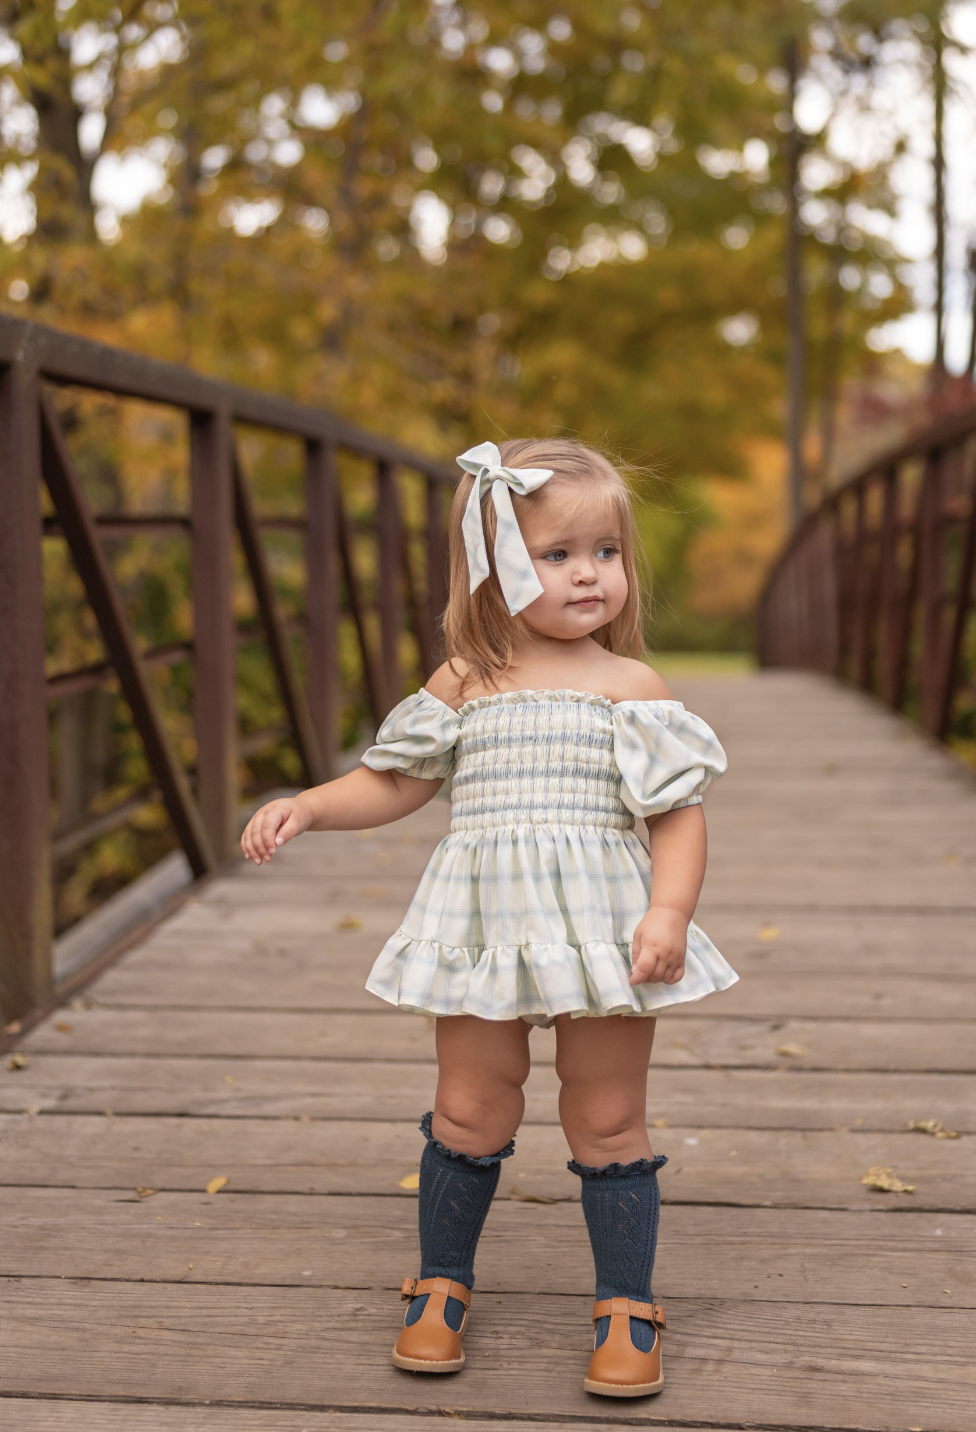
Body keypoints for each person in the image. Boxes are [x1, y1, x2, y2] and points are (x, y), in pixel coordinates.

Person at [241, 439, 737, 1398]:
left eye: (605, 550)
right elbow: (390, 783)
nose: (589, 572)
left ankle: (627, 1305)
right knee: (470, 1106)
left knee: (606, 1115)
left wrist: (669, 912)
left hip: (603, 933)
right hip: (482, 929)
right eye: (557, 554)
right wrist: (308, 803)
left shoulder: (633, 690)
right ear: (495, 564)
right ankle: (440, 1286)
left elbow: (678, 816)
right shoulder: (464, 680)